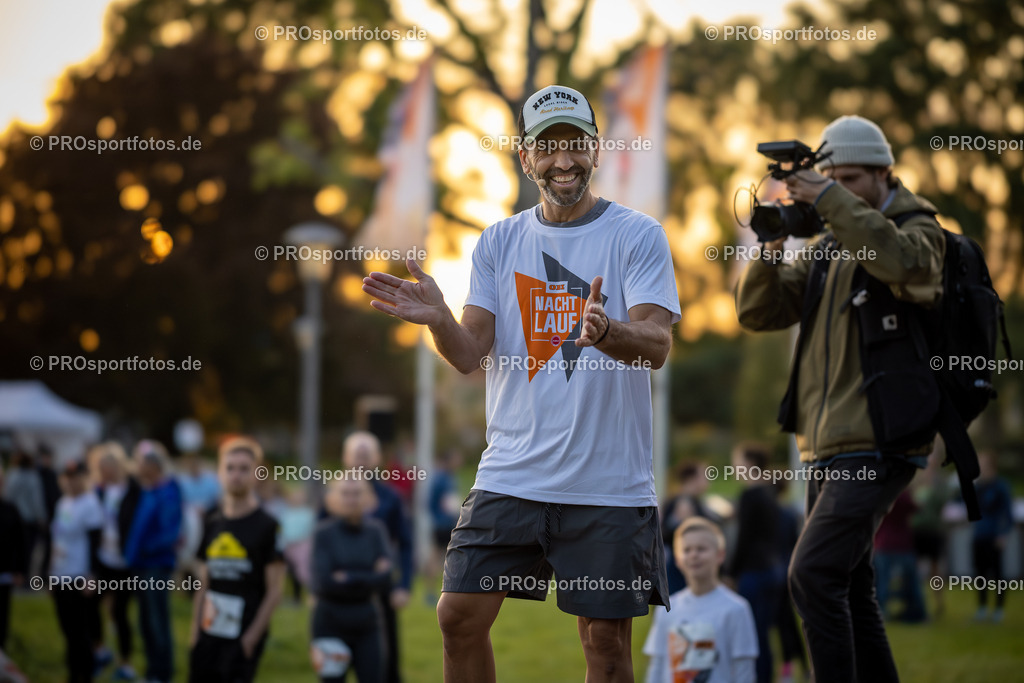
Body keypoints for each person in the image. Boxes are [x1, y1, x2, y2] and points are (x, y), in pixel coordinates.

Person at [364, 84, 680, 682]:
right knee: (457, 616)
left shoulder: (637, 234)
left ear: (596, 148)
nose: (564, 160)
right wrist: (440, 321)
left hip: (607, 484)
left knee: (605, 644)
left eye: (576, 144)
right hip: (512, 475)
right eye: (548, 146)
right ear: (525, 156)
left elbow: (657, 345)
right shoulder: (498, 240)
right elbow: (469, 353)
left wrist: (607, 330)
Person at [736, 115, 947, 682]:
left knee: (811, 575)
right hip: (826, 444)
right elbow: (758, 312)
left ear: (884, 174)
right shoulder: (828, 247)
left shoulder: (919, 229)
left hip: (880, 439)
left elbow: (904, 266)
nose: (839, 190)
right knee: (850, 587)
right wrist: (771, 244)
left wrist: (828, 198)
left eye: (851, 179)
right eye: (831, 180)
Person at [189, 436, 284, 683]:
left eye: (244, 468)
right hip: (209, 628)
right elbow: (203, 582)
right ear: (220, 472)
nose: (236, 475)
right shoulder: (211, 519)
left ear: (257, 473)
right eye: (230, 468)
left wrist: (251, 637)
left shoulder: (268, 525)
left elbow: (275, 590)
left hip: (243, 631)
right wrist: (195, 630)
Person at [644, 517, 758, 683]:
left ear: (720, 555)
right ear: (677, 559)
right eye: (687, 550)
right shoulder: (666, 609)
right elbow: (657, 666)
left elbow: (744, 671)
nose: (694, 555)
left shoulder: (737, 609)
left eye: (701, 549)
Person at [338, 432, 413, 683]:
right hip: (339, 591)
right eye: (356, 455)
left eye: (366, 455)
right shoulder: (333, 498)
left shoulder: (391, 497)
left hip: (380, 591)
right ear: (346, 458)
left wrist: (403, 585)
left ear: (377, 459)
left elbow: (405, 543)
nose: (361, 461)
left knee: (385, 663)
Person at [311, 475, 393, 683]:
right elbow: (325, 582)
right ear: (334, 498)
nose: (351, 499)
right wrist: (370, 575)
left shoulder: (376, 531)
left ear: (367, 498)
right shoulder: (323, 533)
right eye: (345, 494)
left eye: (357, 494)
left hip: (367, 622)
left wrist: (347, 576)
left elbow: (386, 579)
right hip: (330, 622)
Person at [124, 440, 182, 683]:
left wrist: (146, 549)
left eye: (141, 463)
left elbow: (170, 532)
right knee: (146, 621)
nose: (138, 467)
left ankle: (162, 673)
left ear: (153, 465)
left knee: (158, 621)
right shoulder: (149, 490)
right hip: (141, 564)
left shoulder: (168, 491)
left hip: (155, 565)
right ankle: (152, 672)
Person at [728, 443, 783, 683]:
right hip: (772, 569)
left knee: (752, 633)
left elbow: (744, 539)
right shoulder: (769, 492)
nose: (734, 466)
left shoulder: (750, 495)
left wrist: (731, 573)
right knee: (762, 632)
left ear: (749, 463)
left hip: (754, 572)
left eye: (737, 461)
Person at [89, 442, 142, 681]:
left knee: (120, 612)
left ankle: (125, 661)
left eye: (105, 467)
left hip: (126, 563)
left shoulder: (134, 489)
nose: (103, 472)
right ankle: (100, 651)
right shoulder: (99, 490)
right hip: (103, 559)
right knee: (92, 606)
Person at [50, 460, 105, 683]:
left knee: (80, 629)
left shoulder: (90, 503)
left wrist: (92, 575)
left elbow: (95, 541)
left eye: (76, 478)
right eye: (68, 477)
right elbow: (57, 538)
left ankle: (86, 674)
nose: (71, 482)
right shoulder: (63, 502)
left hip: (78, 575)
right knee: (67, 629)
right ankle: (73, 672)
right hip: (60, 573)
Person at [971, 451, 1014, 623]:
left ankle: (998, 609)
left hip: (994, 537)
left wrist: (1003, 534)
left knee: (997, 574)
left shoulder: (1000, 487)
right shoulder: (978, 486)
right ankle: (982, 608)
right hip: (979, 536)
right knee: (980, 573)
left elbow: (1007, 514)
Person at [659, 462, 712, 594]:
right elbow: (664, 534)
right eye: (704, 476)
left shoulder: (695, 501)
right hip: (681, 566)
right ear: (691, 479)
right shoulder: (680, 501)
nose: (708, 480)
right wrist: (677, 521)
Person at [874, 490, 926, 623]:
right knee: (911, 581)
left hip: (884, 543)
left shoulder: (879, 492)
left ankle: (880, 611)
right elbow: (916, 508)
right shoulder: (902, 493)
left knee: (882, 581)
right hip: (902, 543)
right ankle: (917, 610)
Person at [911, 446, 948, 619]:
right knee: (914, 568)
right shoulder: (915, 479)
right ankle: (917, 602)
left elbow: (942, 502)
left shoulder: (940, 482)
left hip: (933, 530)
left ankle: (939, 602)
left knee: (935, 569)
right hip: (916, 531)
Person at [424, 449, 462, 603]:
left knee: (447, 557)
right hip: (442, 525)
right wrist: (439, 518)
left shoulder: (450, 477)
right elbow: (431, 501)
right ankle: (430, 592)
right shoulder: (440, 478)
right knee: (437, 557)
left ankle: (446, 591)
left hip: (450, 524)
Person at [3, 451, 47, 579]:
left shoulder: (11, 475)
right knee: (28, 550)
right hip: (29, 519)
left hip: (13, 519)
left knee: (14, 548)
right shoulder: (32, 477)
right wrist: (42, 517)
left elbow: (7, 496)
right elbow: (36, 500)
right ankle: (25, 576)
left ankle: (15, 574)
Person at [0, 462, 27, 651]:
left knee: (2, 617)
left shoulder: (10, 509)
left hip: (5, 575)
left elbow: (21, 543)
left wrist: (20, 570)